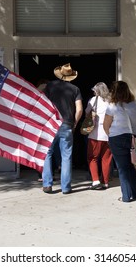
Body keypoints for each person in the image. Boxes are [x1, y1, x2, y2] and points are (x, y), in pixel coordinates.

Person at [42, 63, 83, 194]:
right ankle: (66, 187)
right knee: (66, 156)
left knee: (47, 153)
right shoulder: (75, 89)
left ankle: (47, 184)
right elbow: (80, 109)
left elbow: (42, 102)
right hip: (67, 124)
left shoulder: (50, 86)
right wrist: (75, 123)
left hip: (51, 124)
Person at [103, 81, 136, 202]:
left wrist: (110, 136)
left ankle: (126, 196)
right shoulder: (134, 104)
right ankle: (134, 193)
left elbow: (106, 125)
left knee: (122, 168)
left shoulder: (112, 106)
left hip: (117, 137)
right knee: (131, 166)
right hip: (133, 137)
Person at [85, 82, 113, 190]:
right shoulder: (111, 101)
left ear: (97, 91)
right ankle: (105, 182)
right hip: (109, 134)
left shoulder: (93, 100)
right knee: (106, 159)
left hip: (95, 134)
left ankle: (95, 181)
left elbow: (87, 112)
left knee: (92, 158)